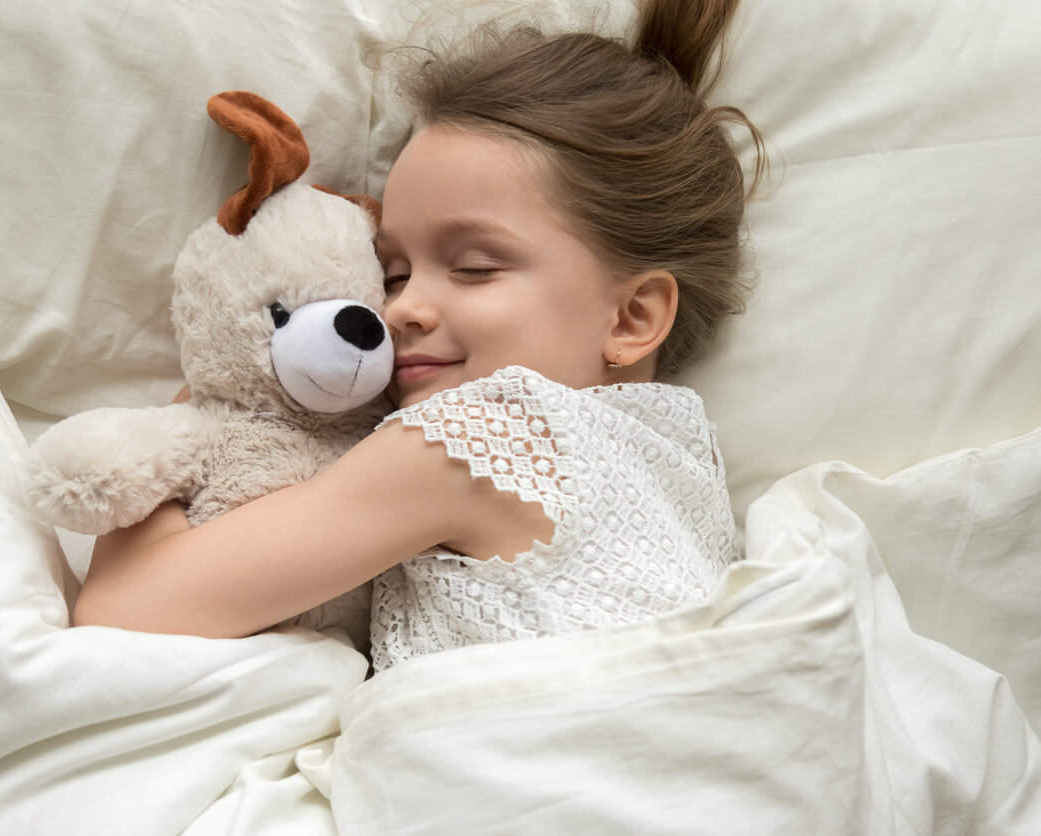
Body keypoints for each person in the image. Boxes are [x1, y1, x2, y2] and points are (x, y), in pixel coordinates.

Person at [73, 0, 766, 673]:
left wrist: (197, 407)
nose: (401, 310)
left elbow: (125, 608)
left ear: (633, 317)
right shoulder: (687, 455)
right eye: (394, 274)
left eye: (474, 267)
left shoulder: (480, 438)